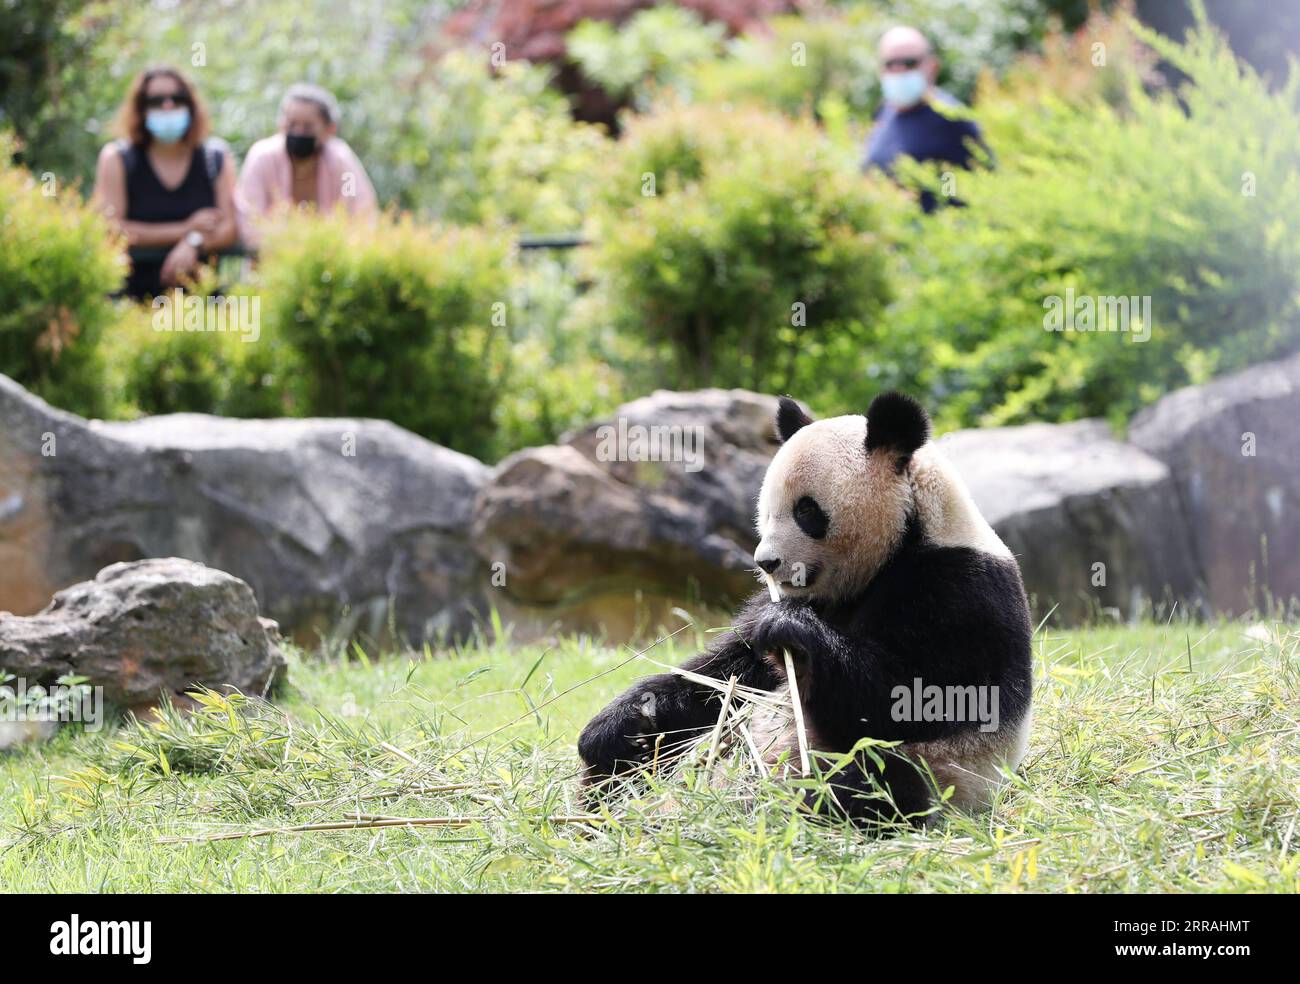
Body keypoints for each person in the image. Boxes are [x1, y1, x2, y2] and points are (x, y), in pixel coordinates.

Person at [93, 66, 239, 298]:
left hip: (202, 303)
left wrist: (193, 243)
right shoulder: (117, 159)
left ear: (191, 105)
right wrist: (186, 229)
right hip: (131, 305)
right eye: (156, 100)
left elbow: (229, 227)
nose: (168, 105)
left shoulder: (215, 157)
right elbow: (112, 228)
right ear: (141, 109)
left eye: (177, 98)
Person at [862, 26, 992, 211]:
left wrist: (942, 213)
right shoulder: (886, 111)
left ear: (932, 66)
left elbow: (973, 185)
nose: (899, 71)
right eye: (891, 64)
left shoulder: (951, 120)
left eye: (909, 63)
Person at [236, 83, 377, 247]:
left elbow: (360, 211)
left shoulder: (342, 162)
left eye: (308, 127)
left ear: (329, 129)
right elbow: (249, 218)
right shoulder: (262, 158)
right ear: (281, 125)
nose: (298, 132)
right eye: (292, 124)